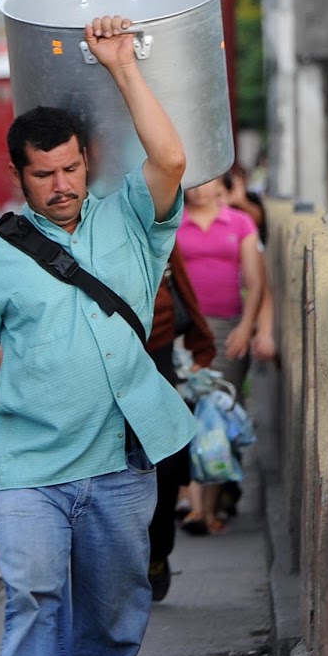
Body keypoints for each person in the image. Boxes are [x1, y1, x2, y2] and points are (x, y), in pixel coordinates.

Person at [0, 13, 194, 656]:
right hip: (32, 469)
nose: (62, 185)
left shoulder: (133, 220)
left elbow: (172, 157)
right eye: (44, 173)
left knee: (112, 619)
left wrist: (122, 64)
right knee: (34, 601)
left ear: (87, 160)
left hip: (121, 464)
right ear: (19, 174)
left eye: (71, 168)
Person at [175, 175, 275, 535]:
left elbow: (256, 281)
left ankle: (209, 508)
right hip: (182, 332)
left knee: (218, 415)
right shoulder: (174, 221)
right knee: (183, 413)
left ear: (221, 184)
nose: (200, 187)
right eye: (194, 180)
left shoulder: (239, 223)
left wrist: (246, 328)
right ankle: (193, 503)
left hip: (227, 328)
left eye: (207, 179)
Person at [145, 245, 215, 602]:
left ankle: (157, 554)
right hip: (96, 366)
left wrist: (201, 348)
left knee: (166, 470)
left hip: (157, 366)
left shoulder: (153, 228)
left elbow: (183, 290)